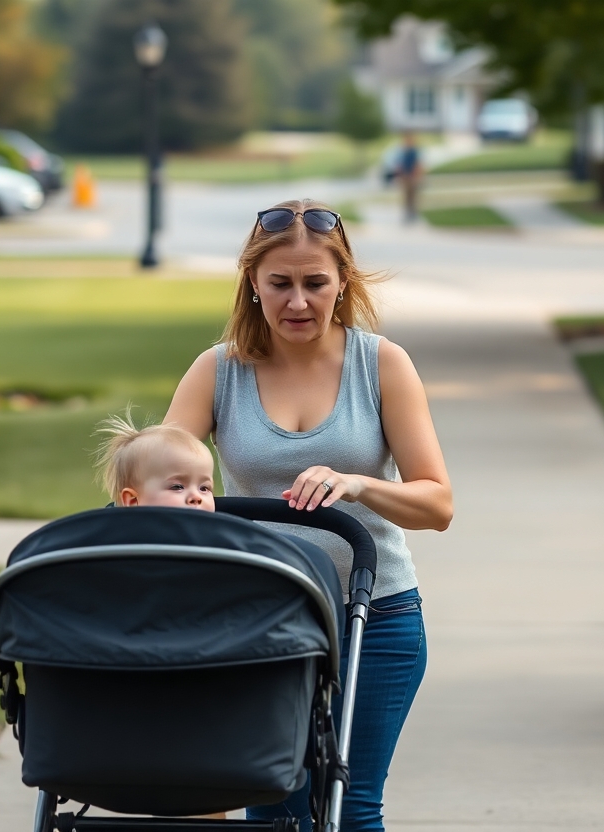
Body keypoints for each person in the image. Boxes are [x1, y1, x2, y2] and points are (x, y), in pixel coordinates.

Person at [165, 199, 453, 832]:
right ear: (252, 283)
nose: (298, 302)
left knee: (352, 810)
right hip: (261, 622)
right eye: (281, 284)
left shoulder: (381, 365)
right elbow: (157, 478)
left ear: (342, 282)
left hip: (372, 619)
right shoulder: (219, 372)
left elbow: (437, 504)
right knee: (275, 810)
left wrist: (357, 486)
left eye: (315, 283)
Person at [94, 412, 215, 511]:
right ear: (132, 501)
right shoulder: (124, 540)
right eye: (177, 487)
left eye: (204, 488)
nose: (196, 497)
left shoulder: (220, 536)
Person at [394, 131, 424, 223]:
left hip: (412, 176)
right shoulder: (403, 151)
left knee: (413, 196)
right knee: (406, 196)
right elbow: (399, 164)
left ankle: (413, 213)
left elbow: (418, 164)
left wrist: (417, 175)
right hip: (405, 177)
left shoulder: (414, 151)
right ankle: (408, 213)